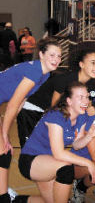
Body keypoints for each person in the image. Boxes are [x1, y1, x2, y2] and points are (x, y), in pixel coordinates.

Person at [0, 37, 62, 203]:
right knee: (3, 151)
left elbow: (19, 102)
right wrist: (5, 134)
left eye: (59, 56)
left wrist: (7, 127)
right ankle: (3, 195)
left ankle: (3, 193)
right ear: (41, 55)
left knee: (3, 153)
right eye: (52, 55)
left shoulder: (43, 74)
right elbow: (12, 105)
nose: (56, 60)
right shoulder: (35, 71)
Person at [18, 82, 95, 203]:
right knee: (66, 168)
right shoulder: (56, 117)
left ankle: (17, 200)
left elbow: (76, 144)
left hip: (51, 161)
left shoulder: (81, 116)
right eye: (80, 97)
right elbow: (59, 154)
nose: (86, 101)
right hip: (32, 161)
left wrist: (89, 136)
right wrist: (89, 163)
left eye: (87, 97)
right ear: (69, 101)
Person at [17, 49, 95, 147]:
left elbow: (87, 103)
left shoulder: (91, 85)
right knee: (30, 148)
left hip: (48, 113)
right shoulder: (65, 79)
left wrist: (90, 109)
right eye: (93, 63)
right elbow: (54, 106)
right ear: (81, 65)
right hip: (32, 110)